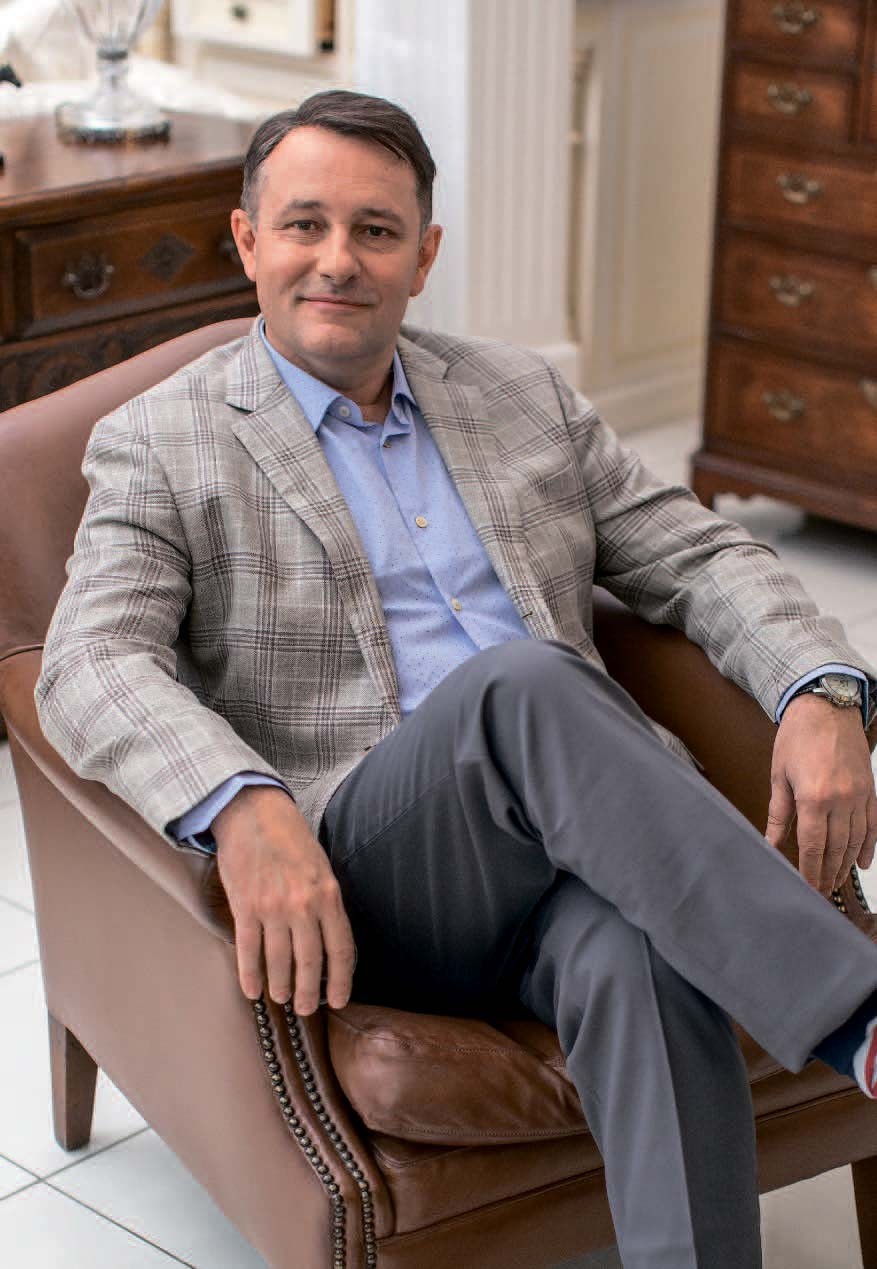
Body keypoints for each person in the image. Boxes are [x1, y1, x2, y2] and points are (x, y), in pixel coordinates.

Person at [35, 90, 877, 1268]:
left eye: (375, 230)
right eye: (304, 224)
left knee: (636, 949)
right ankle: (855, 1016)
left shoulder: (518, 395)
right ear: (247, 240)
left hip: (585, 845)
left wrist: (824, 690)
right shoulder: (161, 441)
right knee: (522, 685)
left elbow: (697, 554)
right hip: (373, 876)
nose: (338, 259)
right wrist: (240, 803)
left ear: (423, 256)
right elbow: (89, 658)